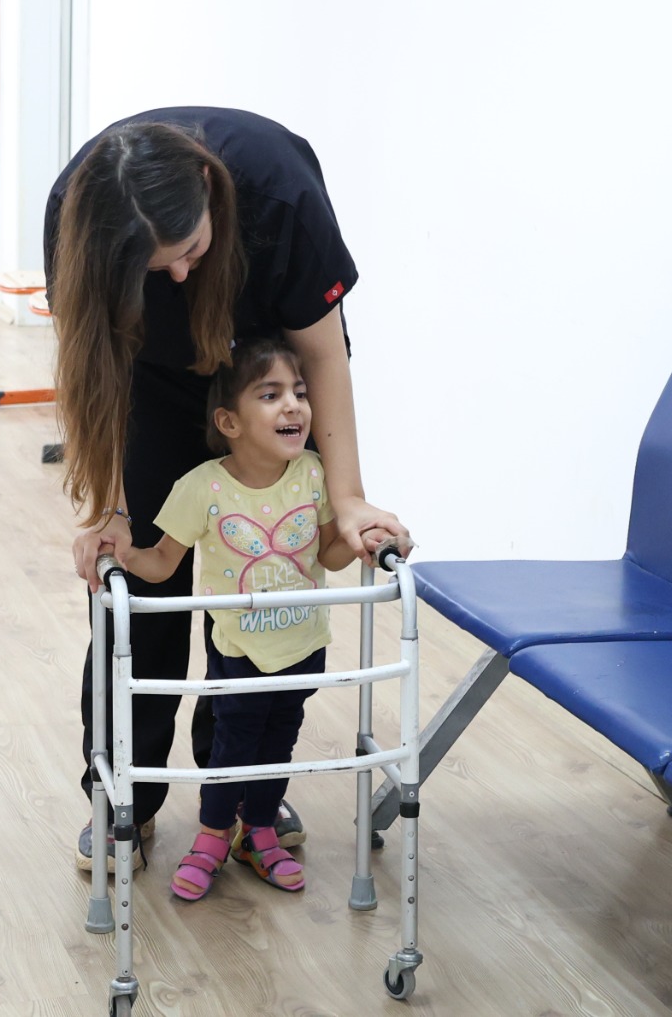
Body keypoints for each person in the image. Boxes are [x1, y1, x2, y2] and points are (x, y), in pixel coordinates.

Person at [45, 107, 410, 872]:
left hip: (258, 375)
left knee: (263, 585)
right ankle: (124, 797)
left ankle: (243, 793)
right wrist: (111, 508)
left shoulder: (279, 193)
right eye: (155, 267)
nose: (179, 276)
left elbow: (324, 354)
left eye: (189, 251)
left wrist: (347, 498)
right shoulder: (77, 217)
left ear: (209, 193)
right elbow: (94, 368)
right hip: (149, 385)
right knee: (139, 591)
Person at [118, 340, 393, 899]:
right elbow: (163, 562)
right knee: (233, 744)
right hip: (240, 648)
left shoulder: (313, 473)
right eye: (270, 395)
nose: (293, 405)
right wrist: (119, 558)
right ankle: (212, 836)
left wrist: (361, 537)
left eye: (299, 392)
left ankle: (260, 832)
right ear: (230, 422)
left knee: (279, 741)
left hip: (303, 644)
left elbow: (327, 554)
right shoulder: (203, 486)